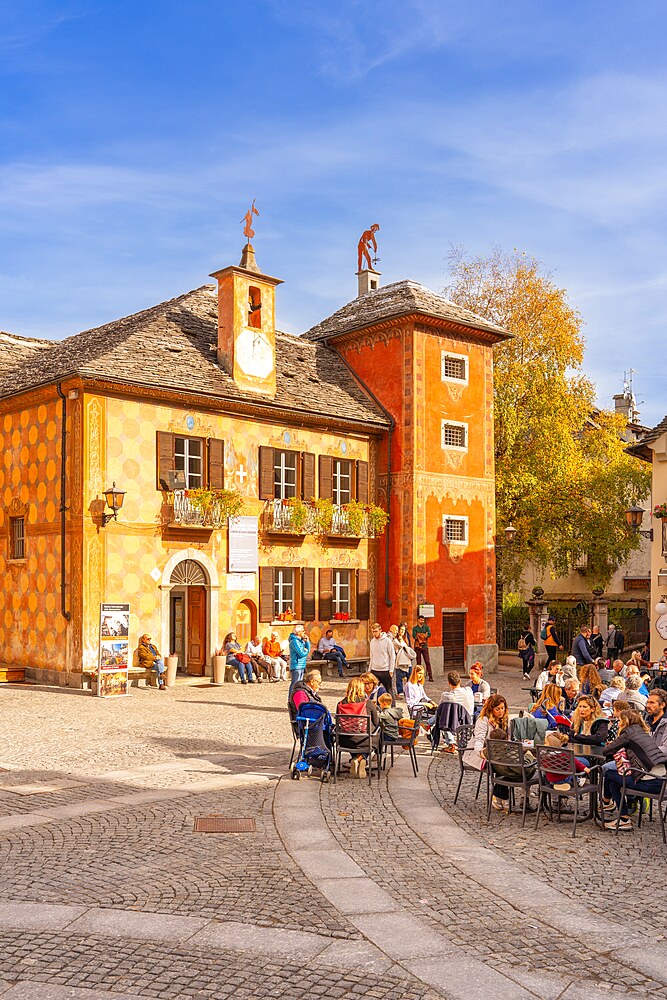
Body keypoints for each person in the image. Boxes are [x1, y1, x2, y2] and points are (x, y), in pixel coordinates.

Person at [601, 710, 667, 830]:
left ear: (625, 721)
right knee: (614, 784)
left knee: (610, 774)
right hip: (661, 780)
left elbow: (606, 751)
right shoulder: (641, 732)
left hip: (649, 781)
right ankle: (623, 818)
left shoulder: (627, 734)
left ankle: (606, 802)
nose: (618, 723)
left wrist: (617, 743)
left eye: (620, 720)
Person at [463, 694, 510, 810]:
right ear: (491, 709)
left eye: (502, 708)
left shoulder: (504, 720)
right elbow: (479, 740)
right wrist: (481, 753)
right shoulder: (483, 720)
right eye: (497, 709)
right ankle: (502, 797)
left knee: (511, 764)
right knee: (502, 766)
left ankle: (499, 796)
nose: (501, 711)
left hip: (498, 754)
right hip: (480, 754)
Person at [336, 676, 380, 779]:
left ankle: (355, 758)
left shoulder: (340, 703)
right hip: (365, 740)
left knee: (354, 738)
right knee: (375, 735)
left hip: (345, 740)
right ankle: (361, 758)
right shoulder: (367, 703)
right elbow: (376, 721)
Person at [369, 623, 396, 704]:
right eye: (373, 632)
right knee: (372, 690)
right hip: (374, 669)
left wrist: (391, 670)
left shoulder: (387, 641)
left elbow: (392, 656)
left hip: (385, 669)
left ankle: (393, 706)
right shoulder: (372, 641)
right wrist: (369, 669)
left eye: (376, 631)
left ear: (380, 630)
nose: (374, 633)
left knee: (389, 690)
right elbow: (372, 656)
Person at [390, 624, 415, 697]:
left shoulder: (406, 638)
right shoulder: (395, 640)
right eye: (401, 630)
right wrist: (401, 641)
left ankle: (409, 690)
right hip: (399, 660)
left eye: (404, 630)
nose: (402, 632)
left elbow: (408, 647)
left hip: (407, 660)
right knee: (399, 677)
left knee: (409, 677)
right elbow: (400, 647)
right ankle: (400, 691)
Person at [288, 624, 310, 694]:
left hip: (301, 665)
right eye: (303, 631)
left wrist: (307, 642)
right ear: (298, 632)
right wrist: (305, 650)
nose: (304, 632)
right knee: (295, 684)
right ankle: (291, 700)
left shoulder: (300, 641)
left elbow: (307, 650)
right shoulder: (294, 641)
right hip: (296, 665)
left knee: (299, 685)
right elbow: (301, 653)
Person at [412, 615, 433, 682]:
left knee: (427, 661)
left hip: (425, 647)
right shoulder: (415, 628)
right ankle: (418, 677)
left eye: (423, 620)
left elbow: (429, 634)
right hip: (417, 647)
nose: (422, 621)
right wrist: (423, 636)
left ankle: (430, 676)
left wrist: (419, 636)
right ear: (418, 620)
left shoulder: (427, 627)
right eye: (421, 620)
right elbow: (414, 636)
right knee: (418, 662)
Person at [646, 688, 667, 754]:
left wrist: (645, 751)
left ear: (662, 705)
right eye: (647, 702)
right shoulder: (645, 721)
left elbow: (665, 750)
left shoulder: (665, 723)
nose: (648, 706)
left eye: (652, 703)